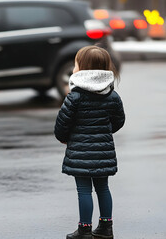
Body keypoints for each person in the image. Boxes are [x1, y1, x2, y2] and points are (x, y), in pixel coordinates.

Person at [54, 45, 125, 239]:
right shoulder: (112, 96)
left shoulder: (74, 96)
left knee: (84, 190)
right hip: (103, 151)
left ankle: (84, 229)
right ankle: (106, 227)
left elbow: (62, 123)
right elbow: (119, 120)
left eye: (76, 63)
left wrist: (64, 138)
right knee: (103, 188)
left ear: (83, 68)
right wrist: (104, 132)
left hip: (80, 151)